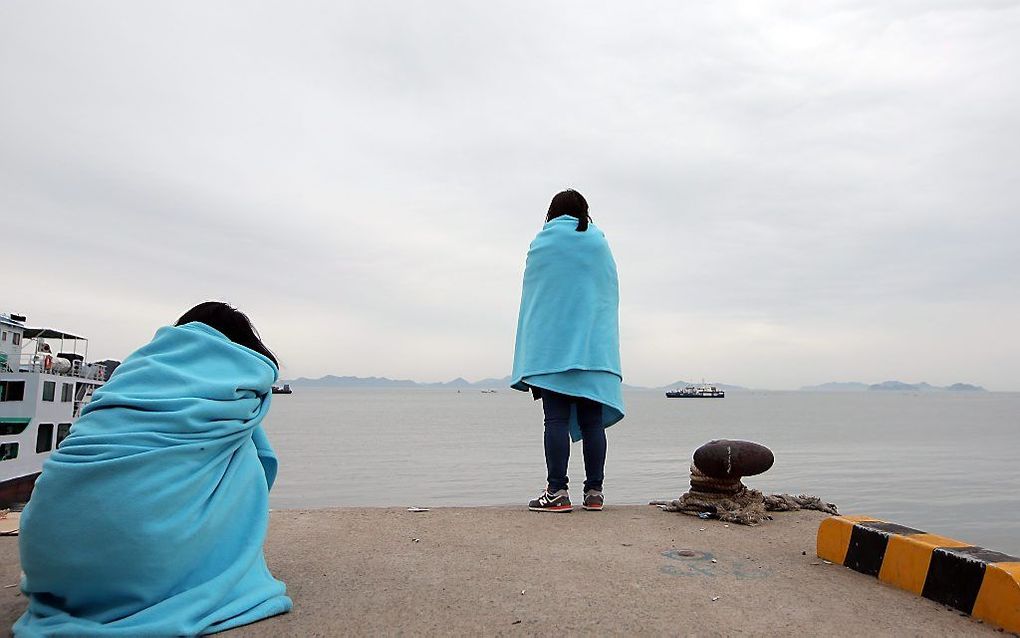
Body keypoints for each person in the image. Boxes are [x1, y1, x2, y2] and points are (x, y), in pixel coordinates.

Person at [15, 302, 292, 636]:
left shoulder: (131, 375)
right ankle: (211, 562)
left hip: (50, 565)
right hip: (136, 568)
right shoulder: (239, 384)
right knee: (243, 440)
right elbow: (264, 465)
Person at [510, 189, 625, 513]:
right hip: (593, 348)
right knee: (592, 422)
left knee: (556, 420)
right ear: (584, 213)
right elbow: (607, 297)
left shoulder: (541, 245)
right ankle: (594, 493)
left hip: (553, 349)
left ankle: (557, 492)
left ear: (551, 213)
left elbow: (536, 301)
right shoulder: (599, 243)